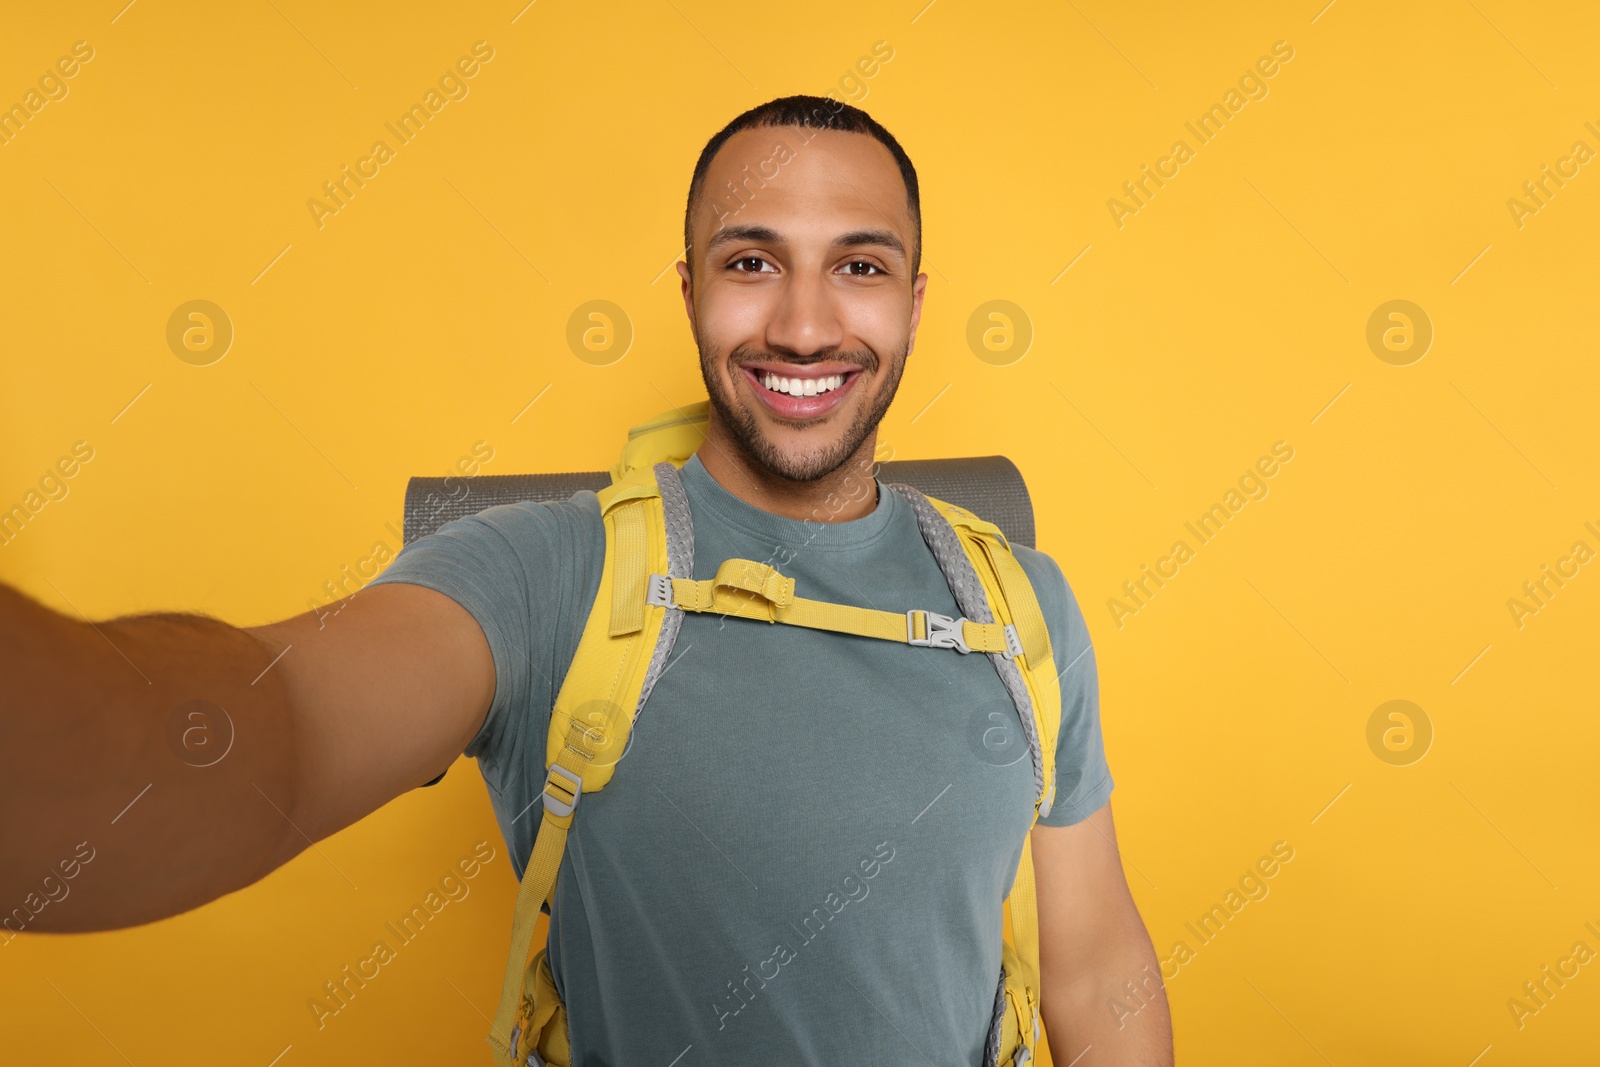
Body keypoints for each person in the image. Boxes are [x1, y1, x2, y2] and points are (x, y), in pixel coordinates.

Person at [1, 95, 1172, 1065]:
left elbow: (1094, 956)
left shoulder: (1020, 601)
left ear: (914, 299)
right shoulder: (546, 568)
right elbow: (268, 730)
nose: (806, 324)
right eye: (752, 261)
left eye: (857, 265)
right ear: (689, 293)